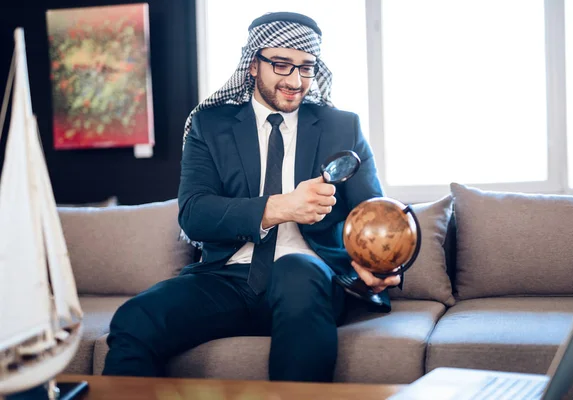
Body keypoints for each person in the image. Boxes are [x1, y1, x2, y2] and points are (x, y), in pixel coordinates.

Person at [102, 11, 400, 382]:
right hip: (226, 278)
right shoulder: (209, 126)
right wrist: (281, 207)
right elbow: (194, 213)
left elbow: (373, 217)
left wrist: (380, 265)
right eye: (281, 65)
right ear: (252, 66)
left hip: (308, 277)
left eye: (306, 68)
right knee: (135, 318)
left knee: (295, 271)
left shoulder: (342, 126)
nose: (295, 80)